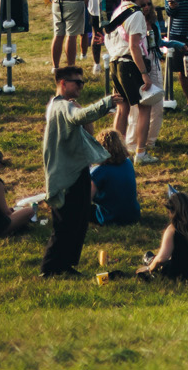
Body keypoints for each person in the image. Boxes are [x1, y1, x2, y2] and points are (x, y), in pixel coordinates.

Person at [40, 64, 125, 278]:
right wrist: (107, 103)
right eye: (77, 82)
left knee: (78, 221)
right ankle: (50, 268)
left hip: (76, 172)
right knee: (65, 223)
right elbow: (82, 116)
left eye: (82, 82)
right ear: (63, 83)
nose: (81, 86)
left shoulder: (65, 105)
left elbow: (83, 126)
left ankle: (65, 265)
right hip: (67, 176)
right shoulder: (61, 106)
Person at [106, 0, 163, 164]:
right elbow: (135, 46)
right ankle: (141, 152)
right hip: (130, 64)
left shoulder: (118, 11)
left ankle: (115, 151)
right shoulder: (136, 14)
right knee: (145, 107)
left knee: (122, 109)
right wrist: (144, 73)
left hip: (114, 63)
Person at [138, 187, 188, 280]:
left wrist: (149, 269)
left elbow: (162, 258)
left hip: (182, 273)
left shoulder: (172, 229)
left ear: (172, 211)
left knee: (163, 262)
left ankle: (150, 260)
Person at [90, 128, 140, 225]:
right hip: (133, 215)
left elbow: (86, 199)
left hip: (109, 218)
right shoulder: (128, 163)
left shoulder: (99, 172)